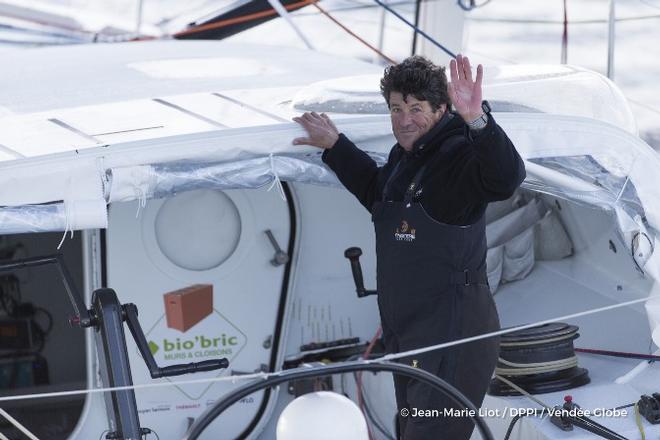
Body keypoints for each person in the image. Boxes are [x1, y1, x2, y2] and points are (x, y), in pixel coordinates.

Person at [292, 54, 525, 439]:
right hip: (411, 336)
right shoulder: (406, 158)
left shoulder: (458, 155)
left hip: (452, 337)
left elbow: (505, 179)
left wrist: (478, 121)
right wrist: (334, 146)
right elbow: (377, 193)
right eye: (396, 108)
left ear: (442, 109)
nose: (404, 119)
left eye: (416, 108)